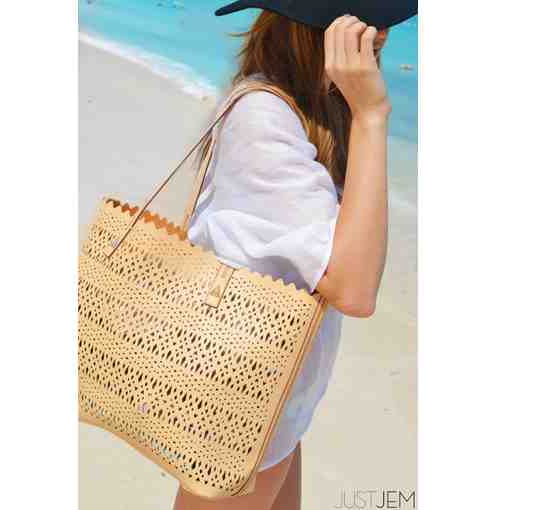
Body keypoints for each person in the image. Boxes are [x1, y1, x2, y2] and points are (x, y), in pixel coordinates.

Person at [173, 4, 414, 509]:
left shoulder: (310, 110)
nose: (382, 33)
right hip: (234, 399)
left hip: (274, 393)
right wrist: (372, 116)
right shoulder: (264, 118)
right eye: (370, 18)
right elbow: (354, 289)